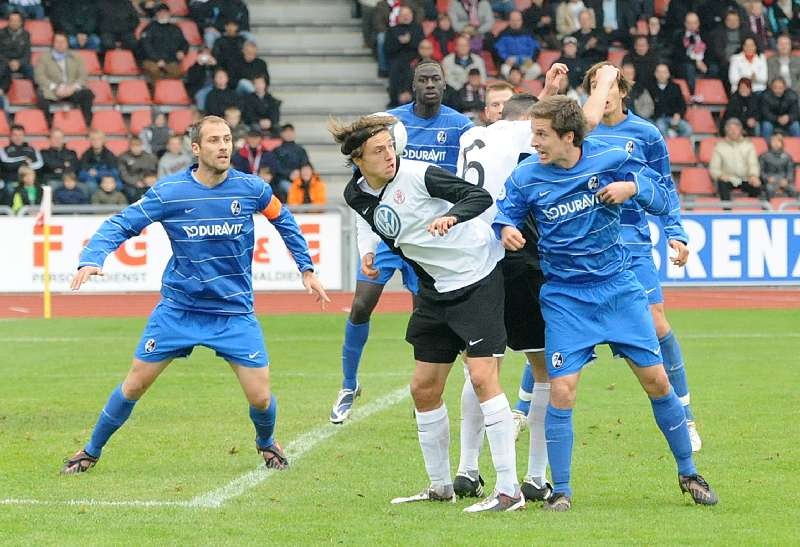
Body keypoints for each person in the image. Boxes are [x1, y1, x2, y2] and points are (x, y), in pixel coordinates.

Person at [61, 115, 329, 475]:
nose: (224, 147)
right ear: (196, 148)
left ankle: (266, 443)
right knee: (135, 384)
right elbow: (121, 223)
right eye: (215, 140)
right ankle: (90, 451)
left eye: (228, 139)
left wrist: (306, 267)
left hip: (233, 311)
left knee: (261, 397)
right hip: (179, 309)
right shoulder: (170, 192)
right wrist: (91, 258)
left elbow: (284, 220)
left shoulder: (252, 188)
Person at [494, 94, 718, 511]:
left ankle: (688, 472)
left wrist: (635, 190)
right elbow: (503, 213)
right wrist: (505, 230)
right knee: (562, 389)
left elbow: (662, 193)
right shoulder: (527, 175)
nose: (534, 141)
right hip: (565, 297)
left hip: (618, 290)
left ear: (568, 137)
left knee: (656, 382)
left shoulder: (612, 159)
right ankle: (560, 491)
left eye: (541, 134)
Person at [332, 113, 521, 513]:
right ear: (358, 161)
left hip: (476, 277)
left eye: (390, 146)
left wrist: (450, 216)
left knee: (483, 376)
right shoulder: (356, 194)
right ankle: (440, 487)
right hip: (434, 290)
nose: (390, 155)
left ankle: (509, 491)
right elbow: (380, 225)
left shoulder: (420, 174)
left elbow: (478, 197)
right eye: (378, 150)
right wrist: (370, 251)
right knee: (423, 387)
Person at [329, 60, 473, 424]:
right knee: (362, 303)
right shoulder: (388, 123)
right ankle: (348, 384)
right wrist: (366, 248)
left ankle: (424, 390)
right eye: (422, 79)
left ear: (445, 84)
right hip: (388, 228)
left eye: (435, 79)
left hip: (429, 236)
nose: (429, 85)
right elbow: (364, 184)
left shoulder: (460, 127)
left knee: (422, 313)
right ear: (411, 85)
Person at [453, 67, 567, 503]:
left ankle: (466, 469)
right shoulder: (525, 142)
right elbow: (536, 127)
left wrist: (544, 91)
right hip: (516, 260)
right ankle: (535, 477)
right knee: (543, 371)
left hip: (472, 262)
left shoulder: (470, 137)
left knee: (481, 366)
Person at [583, 61, 701, 452]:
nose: (607, 91)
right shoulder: (581, 131)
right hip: (583, 246)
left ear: (623, 90)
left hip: (632, 243)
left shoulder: (646, 134)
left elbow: (665, 188)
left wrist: (676, 233)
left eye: (612, 84)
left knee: (657, 322)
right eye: (599, 85)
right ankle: (521, 410)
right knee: (557, 325)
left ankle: (685, 414)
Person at [34, 32, 95, 126]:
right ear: (53, 43)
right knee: (41, 96)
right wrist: (55, 87)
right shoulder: (44, 58)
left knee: (87, 94)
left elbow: (83, 75)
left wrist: (73, 87)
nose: (60, 44)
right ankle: (48, 124)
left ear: (67, 43)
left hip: (71, 89)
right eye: (57, 42)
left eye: (62, 42)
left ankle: (86, 123)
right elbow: (39, 76)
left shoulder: (76, 57)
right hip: (53, 90)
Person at [710, 117, 762, 201]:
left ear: (740, 130)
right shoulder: (719, 147)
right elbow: (714, 168)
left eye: (736, 129)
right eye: (730, 129)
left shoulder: (748, 146)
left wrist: (753, 176)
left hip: (745, 178)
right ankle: (727, 211)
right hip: (728, 178)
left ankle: (752, 211)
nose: (733, 131)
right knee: (722, 184)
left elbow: (753, 164)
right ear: (726, 131)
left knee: (757, 184)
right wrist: (720, 175)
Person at [139, 3, 189, 82]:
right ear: (156, 14)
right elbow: (146, 46)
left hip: (170, 60)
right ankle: (159, 91)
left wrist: (183, 51)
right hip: (151, 60)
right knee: (154, 71)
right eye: (160, 12)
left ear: (169, 13)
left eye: (165, 12)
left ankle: (166, 88)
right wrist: (157, 59)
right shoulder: (150, 28)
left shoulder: (175, 28)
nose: (163, 14)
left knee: (177, 72)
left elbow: (184, 43)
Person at [671, 12, 711, 101]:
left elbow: (710, 53)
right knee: (689, 68)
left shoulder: (705, 35)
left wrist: (705, 64)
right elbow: (678, 55)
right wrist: (695, 62)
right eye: (689, 23)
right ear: (685, 24)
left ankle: (711, 95)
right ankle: (693, 94)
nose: (692, 25)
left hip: (703, 63)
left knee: (714, 68)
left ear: (699, 23)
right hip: (685, 64)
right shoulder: (679, 36)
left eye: (695, 23)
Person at [494, 10, 542, 79]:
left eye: (518, 20)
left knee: (536, 69)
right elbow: (497, 50)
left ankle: (521, 83)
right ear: (509, 21)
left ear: (521, 21)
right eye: (513, 20)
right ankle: (514, 84)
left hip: (526, 63)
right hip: (510, 64)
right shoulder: (503, 34)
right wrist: (505, 59)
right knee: (504, 70)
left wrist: (531, 59)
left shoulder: (529, 33)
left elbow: (536, 49)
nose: (515, 22)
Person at [650, 63, 691, 138]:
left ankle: (679, 147)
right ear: (655, 74)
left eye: (664, 72)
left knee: (688, 129)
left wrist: (678, 114)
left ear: (668, 74)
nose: (661, 75)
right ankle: (668, 148)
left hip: (673, 117)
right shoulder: (650, 88)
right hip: (657, 119)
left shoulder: (675, 87)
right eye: (659, 72)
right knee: (661, 127)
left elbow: (682, 104)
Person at [119, 136, 159, 202]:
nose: (136, 148)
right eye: (133, 146)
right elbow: (123, 174)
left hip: (147, 182)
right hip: (130, 184)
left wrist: (147, 180)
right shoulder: (123, 157)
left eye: (138, 146)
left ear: (142, 146)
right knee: (132, 193)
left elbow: (153, 172)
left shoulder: (149, 157)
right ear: (130, 146)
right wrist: (135, 182)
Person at [760, 132, 797, 199]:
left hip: (783, 180)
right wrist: (767, 178)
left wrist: (787, 180)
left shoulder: (787, 157)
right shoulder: (763, 156)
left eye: (778, 141)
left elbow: (790, 171)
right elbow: (761, 171)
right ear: (770, 143)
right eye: (773, 141)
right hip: (770, 181)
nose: (776, 143)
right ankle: (766, 208)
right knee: (768, 189)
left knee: (793, 189)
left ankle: (795, 208)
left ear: (782, 143)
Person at [0, 11, 33, 79]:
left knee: (31, 70)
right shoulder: (1, 33)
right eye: (11, 20)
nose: (14, 23)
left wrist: (19, 62)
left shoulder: (26, 34)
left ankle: (36, 89)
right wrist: (9, 62)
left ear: (21, 22)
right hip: (4, 62)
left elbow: (27, 54)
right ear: (8, 21)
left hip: (21, 63)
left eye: (16, 20)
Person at [185, 47, 219, 111]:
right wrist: (199, 65)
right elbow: (192, 80)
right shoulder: (193, 68)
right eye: (204, 54)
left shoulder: (214, 66)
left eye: (208, 54)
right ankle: (203, 114)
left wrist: (214, 65)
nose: (206, 57)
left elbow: (221, 76)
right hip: (200, 88)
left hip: (214, 88)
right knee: (201, 94)